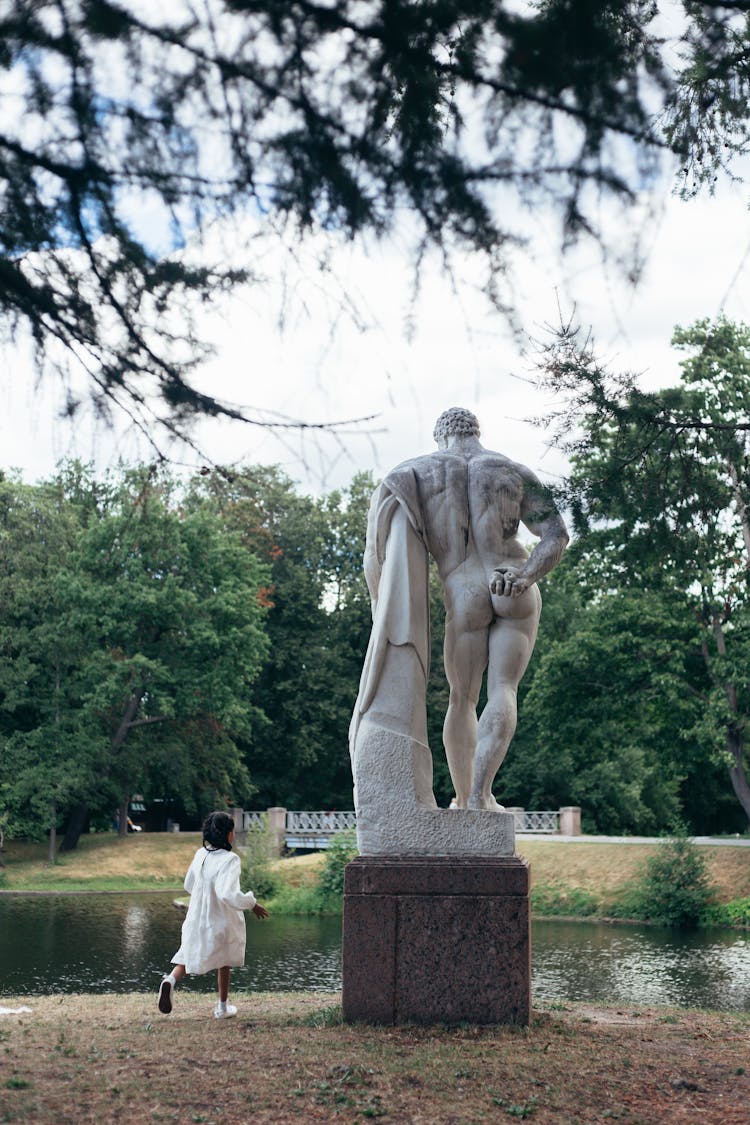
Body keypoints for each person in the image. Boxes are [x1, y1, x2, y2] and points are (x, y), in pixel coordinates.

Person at [354, 407, 568, 813]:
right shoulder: (510, 470)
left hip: (464, 589)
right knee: (503, 689)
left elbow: (374, 556)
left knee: (462, 699)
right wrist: (524, 577)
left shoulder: (414, 474)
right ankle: (481, 795)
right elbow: (557, 534)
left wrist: (378, 609)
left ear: (440, 436)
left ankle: (464, 797)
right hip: (512, 579)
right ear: (475, 432)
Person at [157, 810, 269, 1019]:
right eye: (233, 831)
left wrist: (204, 895)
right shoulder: (230, 859)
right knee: (224, 961)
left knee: (187, 955)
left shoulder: (201, 855)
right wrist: (252, 904)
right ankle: (222, 1007)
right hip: (220, 920)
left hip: (196, 918)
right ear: (228, 834)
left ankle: (170, 980)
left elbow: (188, 884)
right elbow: (228, 894)